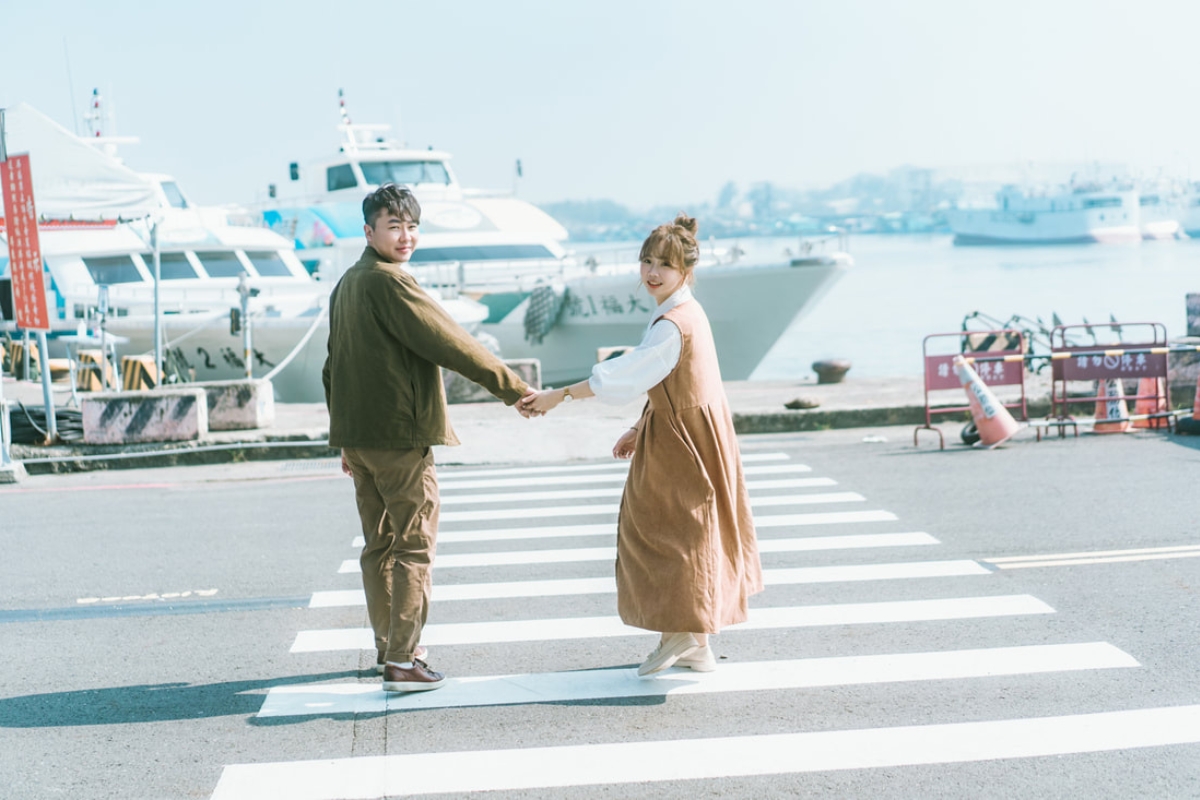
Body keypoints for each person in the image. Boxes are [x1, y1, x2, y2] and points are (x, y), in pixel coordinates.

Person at [519, 213, 763, 676]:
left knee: (663, 535)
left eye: (664, 265)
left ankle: (679, 634)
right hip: (689, 432)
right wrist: (641, 424)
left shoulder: (673, 323)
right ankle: (695, 642)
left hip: (681, 441)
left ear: (685, 271)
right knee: (689, 531)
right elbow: (665, 379)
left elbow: (624, 376)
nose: (652, 272)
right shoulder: (685, 312)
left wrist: (558, 395)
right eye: (647, 261)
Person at [323, 184, 535, 692]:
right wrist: (515, 389)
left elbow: (334, 367)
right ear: (369, 230)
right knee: (414, 548)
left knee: (379, 547)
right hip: (400, 436)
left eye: (412, 226)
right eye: (394, 226)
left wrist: (345, 441)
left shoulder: (347, 284)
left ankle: (387, 647)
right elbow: (452, 342)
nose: (406, 236)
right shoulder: (391, 283)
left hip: (362, 439)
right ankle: (402, 658)